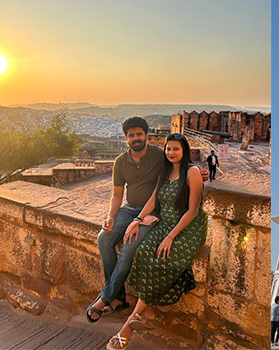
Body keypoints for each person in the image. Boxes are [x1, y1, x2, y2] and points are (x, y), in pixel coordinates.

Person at [86, 117, 208, 324]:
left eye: (139, 134)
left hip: (154, 212)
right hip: (130, 209)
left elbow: (179, 164)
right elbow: (116, 195)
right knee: (103, 239)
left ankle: (106, 297)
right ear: (126, 138)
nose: (136, 138)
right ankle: (118, 297)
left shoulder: (158, 156)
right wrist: (111, 217)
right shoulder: (120, 162)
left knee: (129, 248)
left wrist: (200, 173)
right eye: (131, 135)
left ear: (146, 136)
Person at [107, 133, 208, 349]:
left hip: (187, 227)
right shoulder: (165, 171)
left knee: (160, 261)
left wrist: (170, 237)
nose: (171, 153)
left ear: (184, 151)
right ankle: (147, 310)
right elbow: (153, 200)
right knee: (141, 251)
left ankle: (128, 327)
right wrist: (137, 219)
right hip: (166, 222)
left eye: (176, 149)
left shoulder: (192, 172)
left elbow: (192, 210)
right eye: (168, 149)